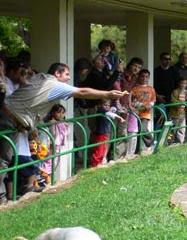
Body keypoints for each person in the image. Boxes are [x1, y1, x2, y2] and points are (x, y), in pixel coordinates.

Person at [0, 63, 124, 202]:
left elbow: (31, 101)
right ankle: (1, 198)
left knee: (7, 160)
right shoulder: (54, 85)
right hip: (9, 119)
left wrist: (31, 126)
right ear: (57, 74)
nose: (69, 78)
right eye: (66, 74)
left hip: (8, 116)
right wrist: (107, 93)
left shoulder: (40, 77)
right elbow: (82, 92)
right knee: (3, 160)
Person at [112, 57, 142, 160]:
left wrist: (129, 106)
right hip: (114, 107)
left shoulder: (135, 77)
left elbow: (129, 92)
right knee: (111, 134)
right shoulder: (121, 74)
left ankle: (118, 158)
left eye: (139, 67)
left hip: (124, 108)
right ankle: (104, 159)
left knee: (122, 133)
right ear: (130, 65)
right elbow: (115, 89)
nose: (136, 68)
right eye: (135, 66)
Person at [90, 99, 125, 168]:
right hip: (100, 134)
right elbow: (109, 113)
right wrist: (119, 117)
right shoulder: (100, 110)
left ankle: (99, 163)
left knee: (103, 149)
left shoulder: (106, 111)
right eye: (105, 105)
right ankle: (95, 165)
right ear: (100, 105)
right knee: (99, 150)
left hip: (105, 133)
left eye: (108, 105)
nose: (106, 107)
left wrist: (114, 108)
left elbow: (113, 110)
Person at [131, 69, 156, 152]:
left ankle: (152, 142)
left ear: (148, 78)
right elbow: (132, 101)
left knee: (143, 129)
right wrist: (142, 105)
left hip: (145, 113)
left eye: (146, 77)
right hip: (136, 112)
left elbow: (153, 101)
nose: (144, 78)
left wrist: (149, 105)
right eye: (142, 76)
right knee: (137, 132)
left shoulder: (151, 88)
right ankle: (137, 150)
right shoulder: (134, 88)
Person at [40, 105, 67, 181]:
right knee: (49, 161)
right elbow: (53, 133)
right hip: (52, 144)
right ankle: (45, 177)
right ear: (52, 113)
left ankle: (49, 177)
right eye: (58, 112)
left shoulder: (61, 122)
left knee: (55, 162)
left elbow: (66, 132)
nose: (61, 114)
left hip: (58, 145)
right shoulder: (51, 122)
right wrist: (53, 124)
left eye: (62, 112)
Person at [169, 77, 187, 144]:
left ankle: (180, 142)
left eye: (185, 83)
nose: (183, 85)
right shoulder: (175, 92)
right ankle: (170, 142)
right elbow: (173, 101)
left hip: (183, 113)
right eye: (182, 83)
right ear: (179, 83)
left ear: (186, 84)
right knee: (173, 129)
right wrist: (181, 103)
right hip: (175, 114)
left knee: (182, 129)